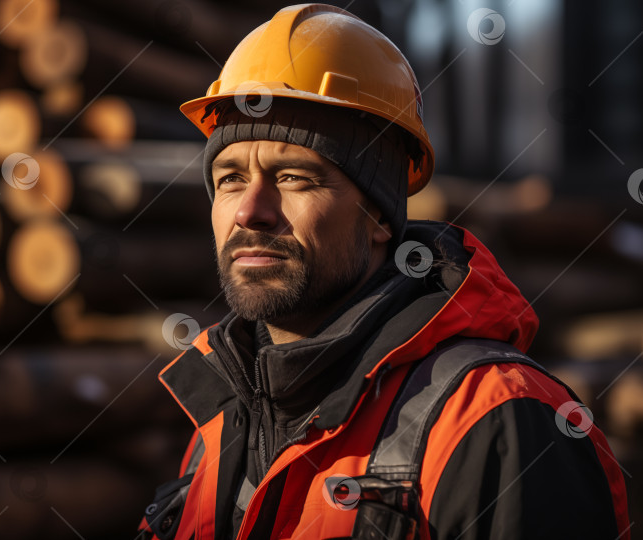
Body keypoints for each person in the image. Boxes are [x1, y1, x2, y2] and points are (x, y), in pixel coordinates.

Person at [138, 4, 630, 539]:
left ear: (379, 215)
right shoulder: (219, 421)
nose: (249, 210)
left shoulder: (499, 421)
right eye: (230, 178)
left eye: (295, 176)